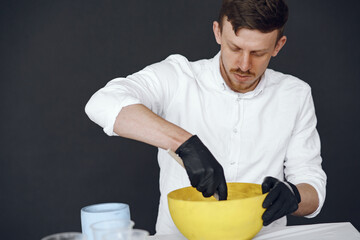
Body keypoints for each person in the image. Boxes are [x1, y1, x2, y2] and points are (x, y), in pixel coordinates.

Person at [85, 0, 327, 235]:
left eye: (258, 53)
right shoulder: (179, 77)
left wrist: (294, 196)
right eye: (235, 48)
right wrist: (184, 144)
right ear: (218, 32)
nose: (244, 64)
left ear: (278, 46)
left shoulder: (296, 94)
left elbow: (312, 187)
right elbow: (101, 103)